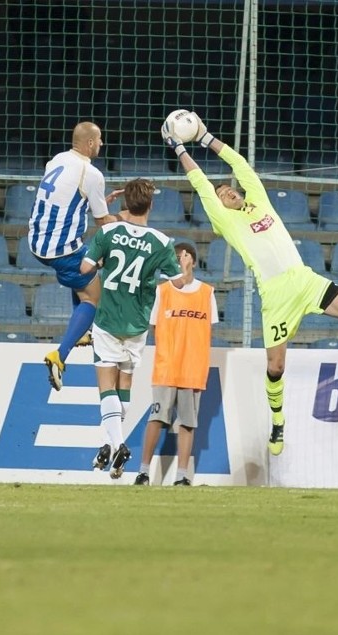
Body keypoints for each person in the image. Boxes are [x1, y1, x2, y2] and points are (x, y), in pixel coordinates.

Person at [161, 113, 338, 456]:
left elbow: (239, 164)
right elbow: (198, 181)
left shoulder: (259, 201)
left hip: (305, 279)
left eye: (229, 189)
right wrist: (179, 146)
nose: (227, 191)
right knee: (276, 366)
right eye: (222, 193)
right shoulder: (225, 220)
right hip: (276, 295)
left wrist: (207, 137)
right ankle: (278, 422)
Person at [80, 178, 185, 480]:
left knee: (105, 385)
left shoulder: (109, 232)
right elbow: (178, 282)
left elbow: (85, 269)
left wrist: (102, 260)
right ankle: (109, 444)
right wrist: (154, 277)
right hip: (138, 324)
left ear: (126, 202)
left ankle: (118, 443)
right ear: (151, 205)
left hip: (109, 319)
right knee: (124, 381)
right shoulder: (162, 242)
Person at [28, 121, 125, 392]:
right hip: (61, 249)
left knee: (87, 269)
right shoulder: (92, 173)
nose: (102, 145)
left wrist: (103, 200)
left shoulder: (58, 159)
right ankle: (59, 356)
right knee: (94, 295)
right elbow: (103, 223)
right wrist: (126, 217)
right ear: (91, 143)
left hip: (36, 240)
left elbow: (69, 198)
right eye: (100, 140)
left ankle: (82, 330)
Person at [134, 242, 219, 486]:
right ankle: (143, 472)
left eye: (180, 257)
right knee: (157, 418)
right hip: (167, 366)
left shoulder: (206, 292)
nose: (177, 261)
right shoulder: (163, 291)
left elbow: (208, 329)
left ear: (190, 258)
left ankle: (182, 476)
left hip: (193, 368)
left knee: (188, 422)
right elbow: (154, 324)